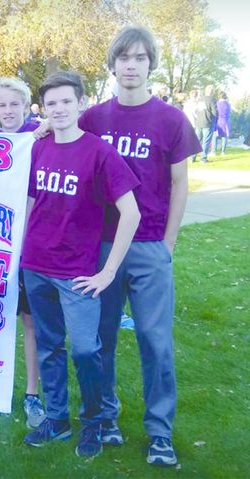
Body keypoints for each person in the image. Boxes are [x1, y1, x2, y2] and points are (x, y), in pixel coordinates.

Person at [77, 26, 201, 466]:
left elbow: (180, 183)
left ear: (151, 64)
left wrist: (168, 243)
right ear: (112, 65)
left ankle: (160, 432)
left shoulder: (171, 119)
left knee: (155, 340)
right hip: (102, 247)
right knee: (101, 339)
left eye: (140, 58)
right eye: (124, 58)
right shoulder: (93, 119)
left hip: (149, 247)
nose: (131, 66)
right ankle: (106, 417)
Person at [22, 70, 140, 458]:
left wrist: (108, 272)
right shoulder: (38, 147)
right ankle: (56, 419)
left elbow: (131, 213)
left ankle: (93, 423)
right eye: (51, 103)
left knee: (87, 350)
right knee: (49, 346)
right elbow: (29, 201)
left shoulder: (99, 152)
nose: (58, 109)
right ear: (43, 108)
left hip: (78, 274)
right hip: (36, 264)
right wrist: (19, 254)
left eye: (66, 101)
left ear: (81, 104)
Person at [0, 76, 44, 427]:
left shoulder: (39, 138)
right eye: (2, 105)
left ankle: (32, 394)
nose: (9, 110)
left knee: (30, 321)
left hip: (31, 245)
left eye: (15, 104)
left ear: (26, 106)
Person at [193, 85, 217, 163]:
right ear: (212, 92)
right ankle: (203, 158)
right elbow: (215, 112)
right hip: (207, 122)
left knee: (197, 141)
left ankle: (192, 158)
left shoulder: (200, 99)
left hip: (198, 122)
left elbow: (196, 111)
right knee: (206, 141)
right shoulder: (212, 99)